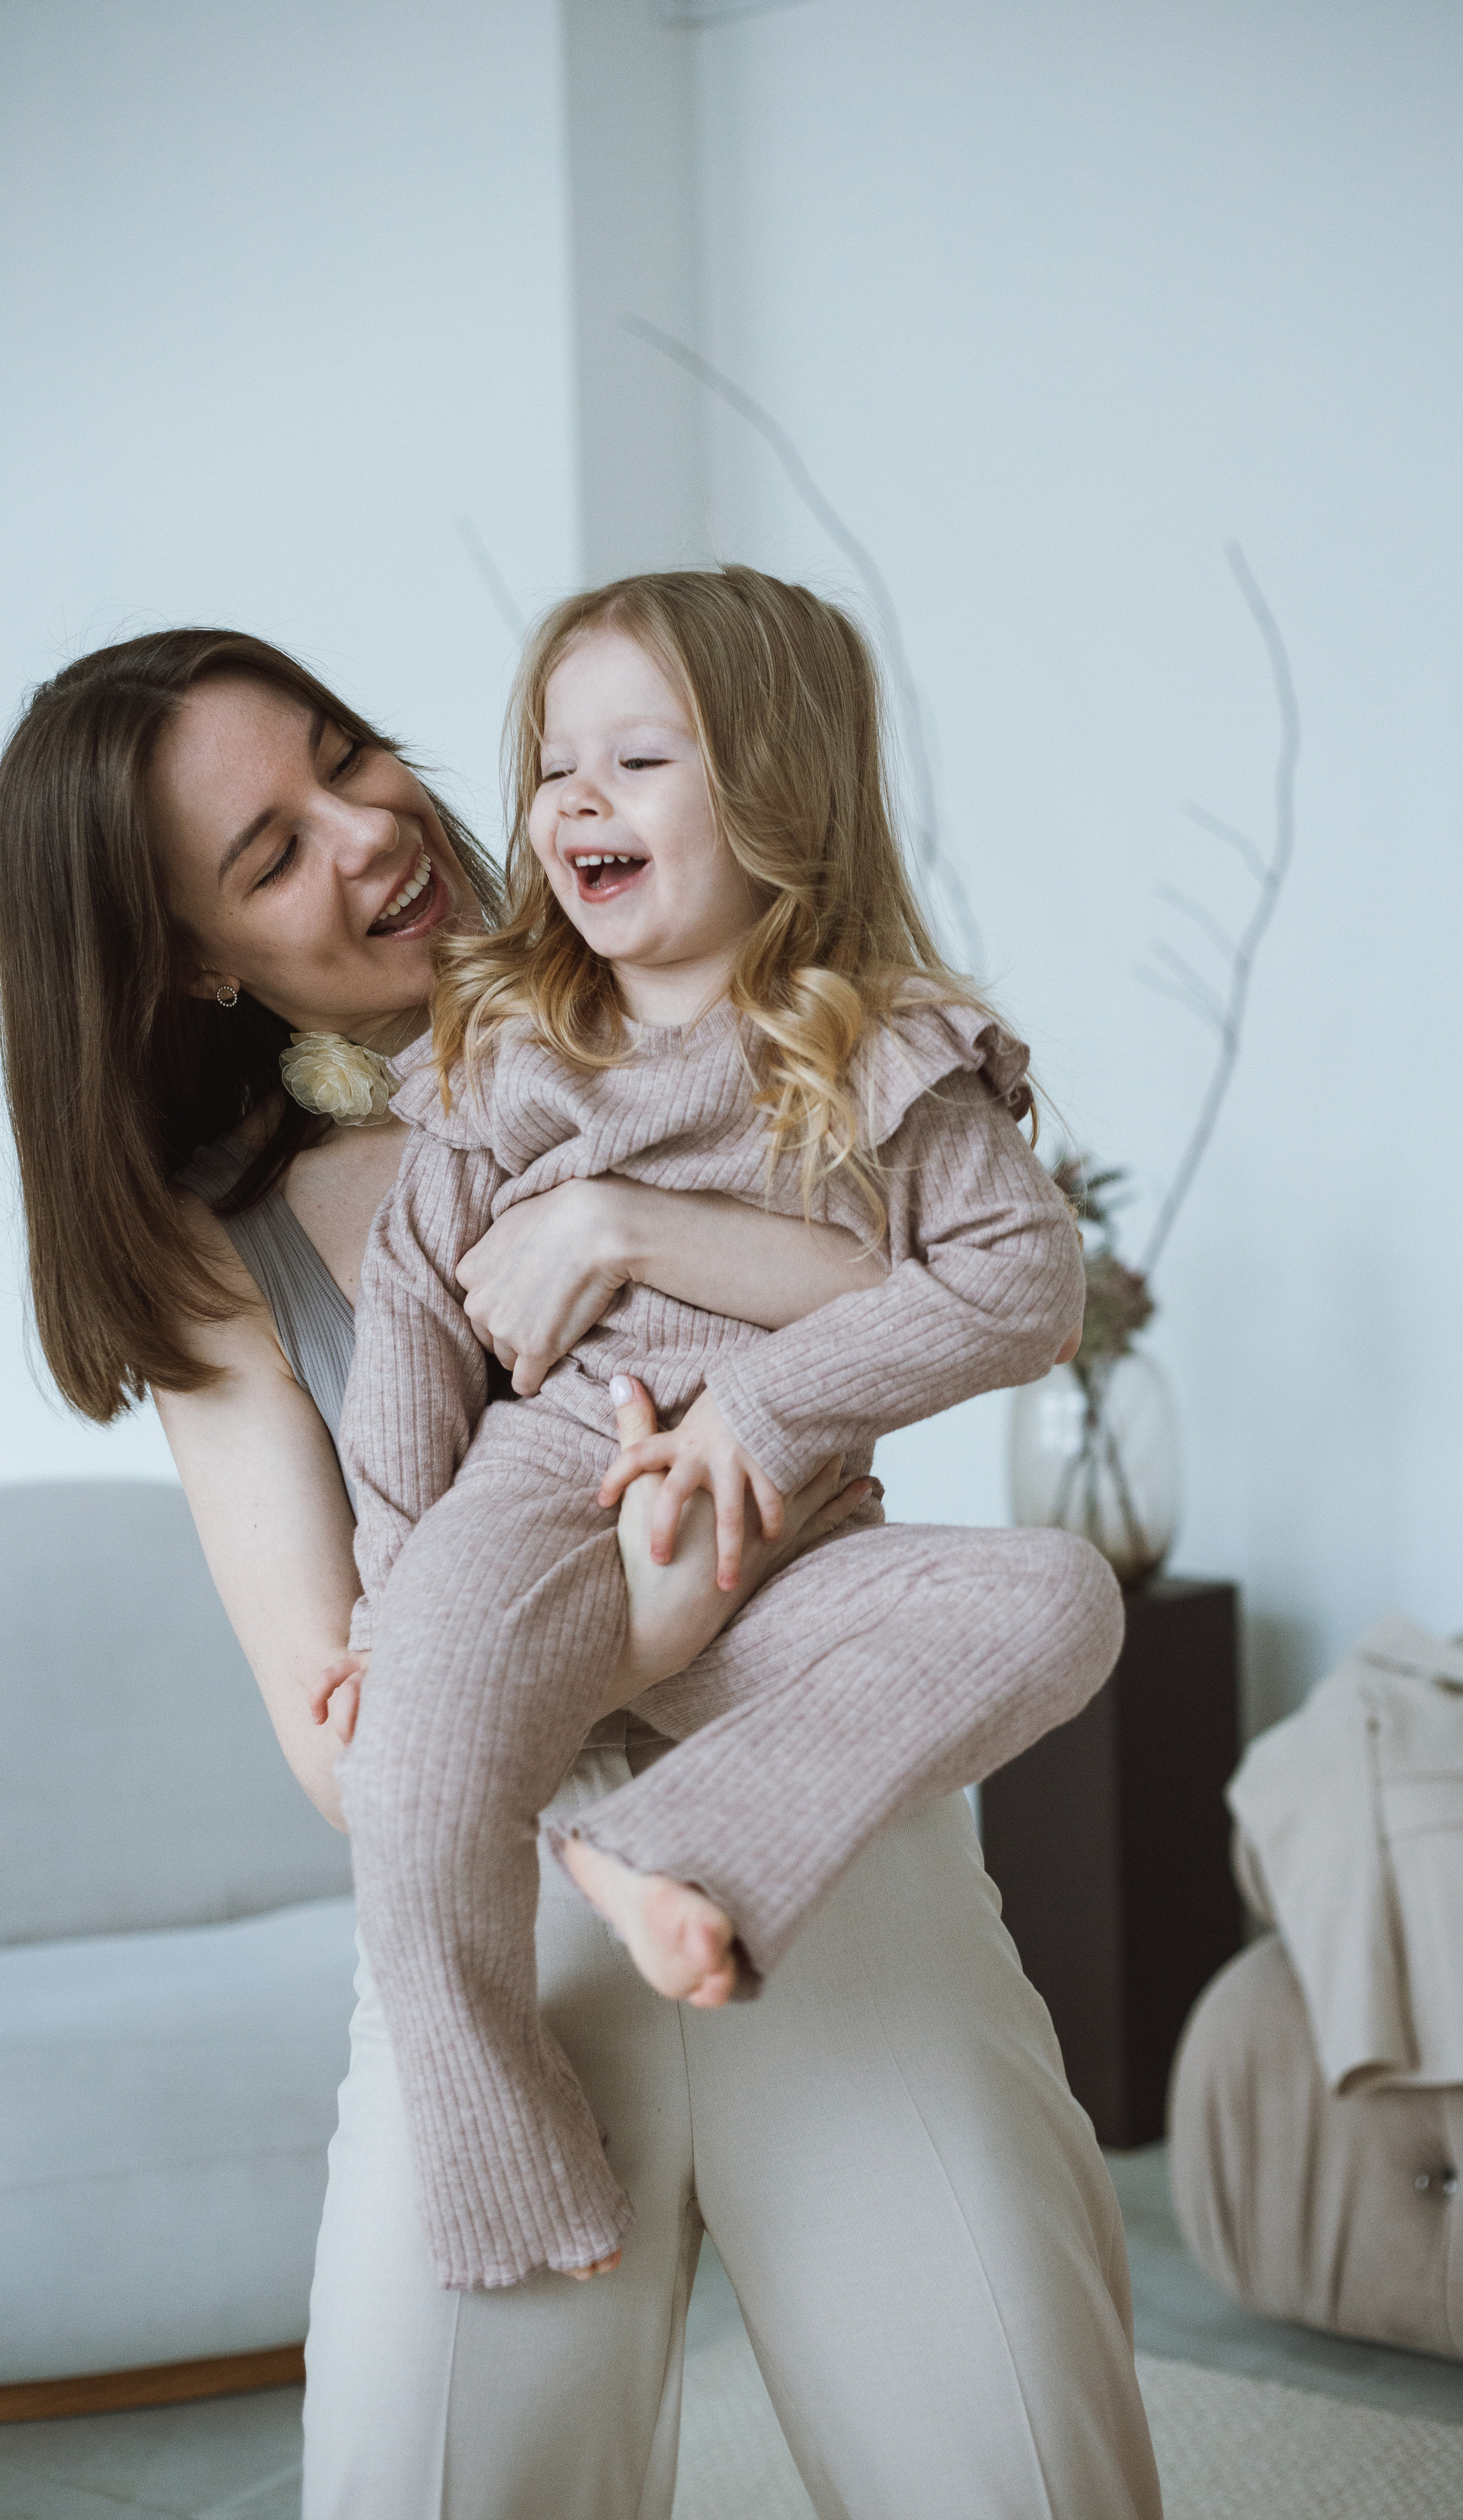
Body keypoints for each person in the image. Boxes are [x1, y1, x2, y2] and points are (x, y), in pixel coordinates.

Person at [0, 625, 1163, 2520]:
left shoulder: (704, 1000)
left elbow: (969, 1292)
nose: (368, 829)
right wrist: (658, 1610)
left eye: (346, 755)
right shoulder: (216, 1252)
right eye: (271, 853)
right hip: (502, 1917)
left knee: (1021, 2484)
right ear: (193, 962)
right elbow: (338, 1734)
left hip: (827, 1865)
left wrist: (629, 1217)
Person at [335, 564, 1125, 2296]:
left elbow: (1019, 1289)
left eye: (638, 760)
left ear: (774, 792)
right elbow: (408, 1312)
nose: (574, 801)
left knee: (1064, 1596)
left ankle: (682, 1848)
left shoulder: (877, 1047)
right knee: (422, 1742)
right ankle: (493, 2132)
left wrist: (763, 1402)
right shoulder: (508, 1043)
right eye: (555, 765)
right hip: (553, 1476)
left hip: (794, 1532)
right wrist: (393, 1579)